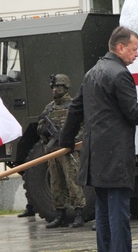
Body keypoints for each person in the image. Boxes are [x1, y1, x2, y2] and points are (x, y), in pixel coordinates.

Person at [59, 26, 138, 252]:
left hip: (95, 157)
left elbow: (75, 108)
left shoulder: (93, 72)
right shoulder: (120, 74)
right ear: (120, 48)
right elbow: (134, 112)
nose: (137, 54)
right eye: (134, 49)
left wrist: (66, 139)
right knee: (118, 216)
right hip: (116, 157)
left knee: (104, 214)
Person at [37, 74, 86, 229]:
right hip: (54, 151)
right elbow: (41, 127)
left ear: (65, 87)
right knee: (56, 183)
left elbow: (83, 127)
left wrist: (72, 140)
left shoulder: (73, 105)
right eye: (53, 87)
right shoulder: (49, 108)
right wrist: (43, 130)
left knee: (73, 181)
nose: (55, 90)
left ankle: (79, 213)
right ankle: (60, 214)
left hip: (69, 151)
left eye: (58, 86)